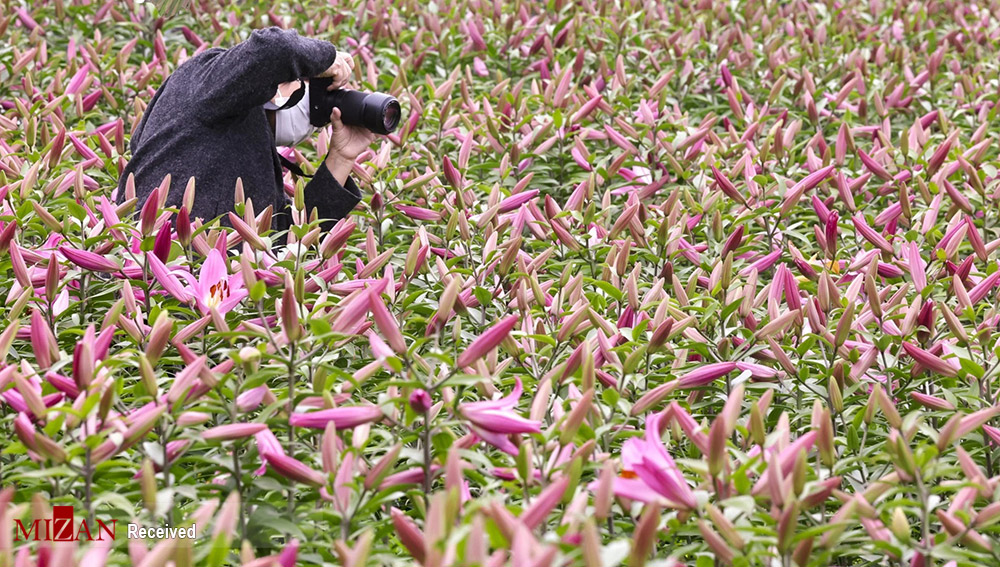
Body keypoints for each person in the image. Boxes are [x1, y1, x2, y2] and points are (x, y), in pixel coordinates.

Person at [116, 26, 375, 237]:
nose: (316, 111)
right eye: (313, 84)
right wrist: (327, 58)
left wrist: (341, 158)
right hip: (167, 271)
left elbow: (286, 239)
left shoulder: (250, 142)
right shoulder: (207, 79)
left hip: (213, 285)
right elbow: (275, 49)